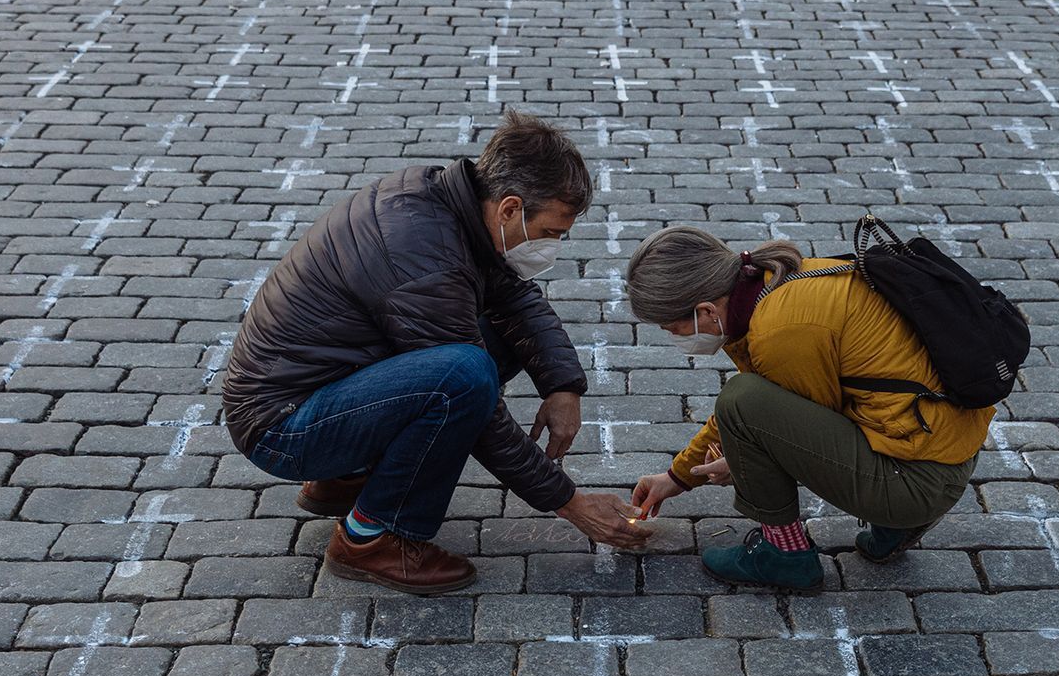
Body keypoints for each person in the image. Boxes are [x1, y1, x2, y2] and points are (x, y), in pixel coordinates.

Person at [221, 110, 645, 594]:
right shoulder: (424, 258)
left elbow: (514, 294)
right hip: (284, 426)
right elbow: (476, 411)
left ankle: (350, 475)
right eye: (551, 231)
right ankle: (370, 537)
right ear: (509, 209)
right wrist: (568, 501)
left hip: (324, 388)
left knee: (487, 348)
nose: (552, 246)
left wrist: (562, 386)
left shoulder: (447, 201)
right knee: (464, 374)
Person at [625, 227, 996, 590]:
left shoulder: (781, 331)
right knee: (747, 402)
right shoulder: (779, 280)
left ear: (706, 310)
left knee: (741, 397)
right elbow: (775, 407)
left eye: (673, 329)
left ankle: (783, 555)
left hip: (915, 481)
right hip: (939, 451)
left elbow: (763, 419)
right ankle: (894, 526)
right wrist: (677, 477)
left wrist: (741, 463)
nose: (676, 339)